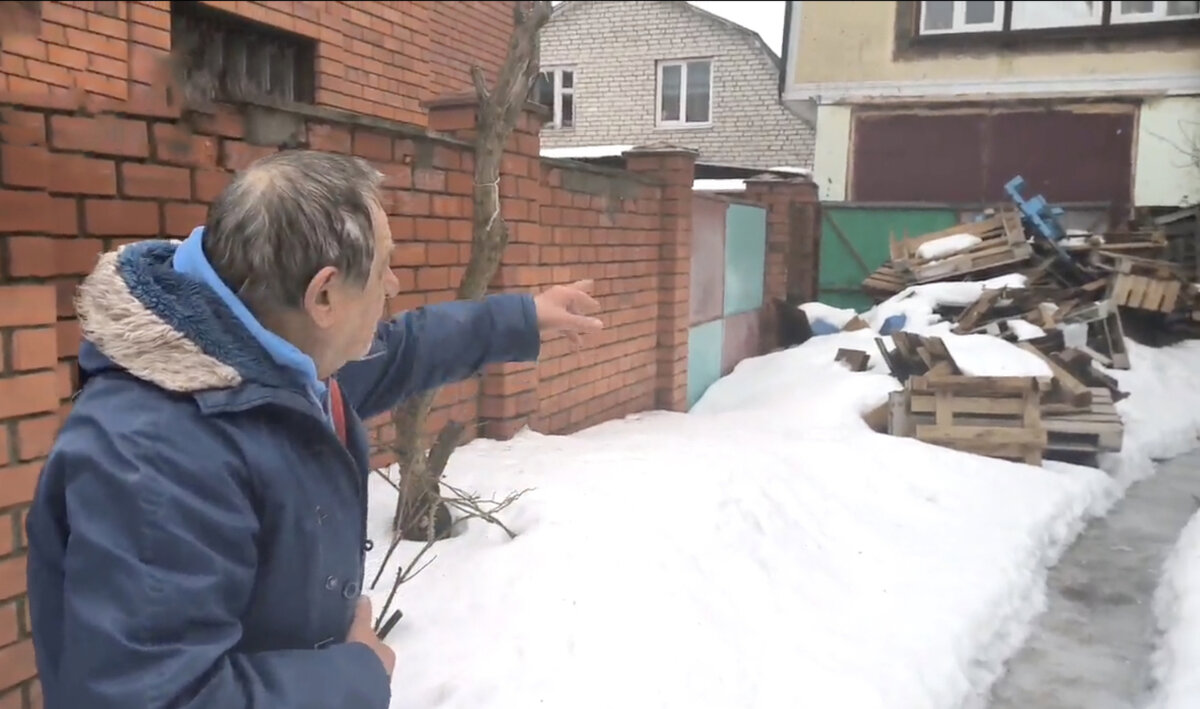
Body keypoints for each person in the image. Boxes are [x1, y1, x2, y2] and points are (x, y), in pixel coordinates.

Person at [23, 150, 604, 709]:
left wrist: (521, 317)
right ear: (324, 294)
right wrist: (357, 676)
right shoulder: (152, 459)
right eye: (383, 268)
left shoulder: (264, 343)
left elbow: (403, 349)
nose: (394, 286)